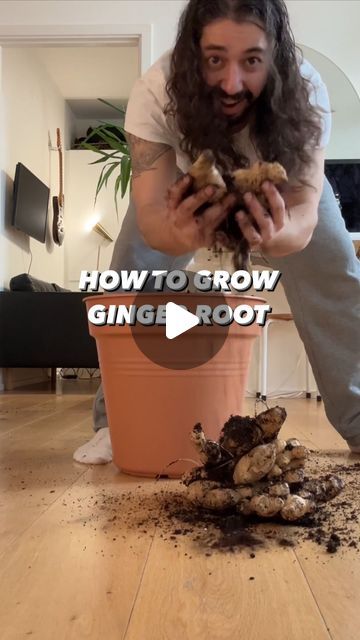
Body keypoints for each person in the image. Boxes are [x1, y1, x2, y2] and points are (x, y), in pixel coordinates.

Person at [73, 0, 360, 464]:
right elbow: (150, 213)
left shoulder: (306, 89)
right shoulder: (156, 92)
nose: (232, 83)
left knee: (337, 273)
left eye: (251, 60)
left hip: (282, 188)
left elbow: (305, 206)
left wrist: (279, 234)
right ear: (192, 55)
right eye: (214, 60)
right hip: (186, 183)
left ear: (275, 55)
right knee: (131, 275)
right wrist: (180, 235)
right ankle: (116, 425)